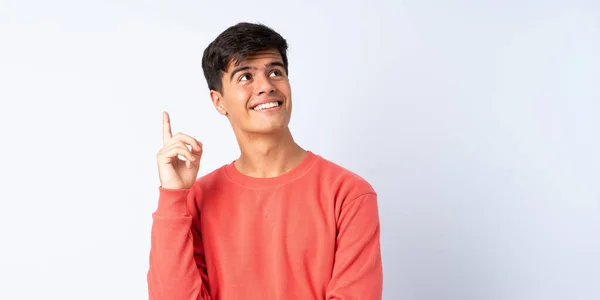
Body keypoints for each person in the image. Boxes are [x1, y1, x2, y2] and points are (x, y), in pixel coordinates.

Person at [147, 22, 383, 300]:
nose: (266, 86)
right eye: (245, 76)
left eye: (275, 72)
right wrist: (174, 197)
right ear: (219, 101)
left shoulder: (349, 194)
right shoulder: (196, 199)